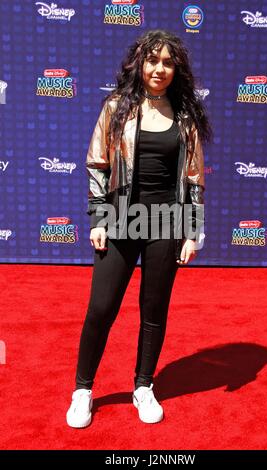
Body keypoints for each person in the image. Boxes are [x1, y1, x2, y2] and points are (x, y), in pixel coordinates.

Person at [66, 29, 212, 428]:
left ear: (176, 68)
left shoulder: (185, 116)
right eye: (153, 60)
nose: (159, 69)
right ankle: (83, 390)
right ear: (139, 63)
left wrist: (191, 229)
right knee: (101, 308)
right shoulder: (117, 107)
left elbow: (195, 178)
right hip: (118, 218)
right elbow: (97, 162)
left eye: (167, 62)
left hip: (167, 222)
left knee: (154, 311)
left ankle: (143, 386)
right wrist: (98, 217)